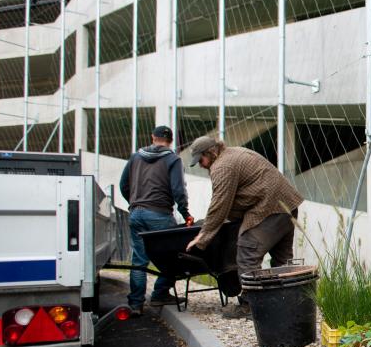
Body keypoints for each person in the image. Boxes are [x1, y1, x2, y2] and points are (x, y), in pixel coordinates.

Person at [185, 136, 304, 318]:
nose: (200, 164)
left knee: (248, 252)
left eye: (201, 160)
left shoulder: (223, 166)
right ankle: (287, 303)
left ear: (211, 152)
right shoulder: (233, 153)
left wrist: (203, 237)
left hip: (270, 209)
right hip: (286, 204)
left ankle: (252, 306)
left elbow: (219, 204)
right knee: (282, 259)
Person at [120, 125, 193, 315]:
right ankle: (160, 293)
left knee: (139, 260)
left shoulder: (135, 157)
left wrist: (135, 203)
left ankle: (136, 304)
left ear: (153, 137)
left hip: (136, 213)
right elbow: (178, 190)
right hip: (159, 214)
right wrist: (186, 214)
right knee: (174, 256)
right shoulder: (172, 159)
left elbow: (123, 185)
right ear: (170, 141)